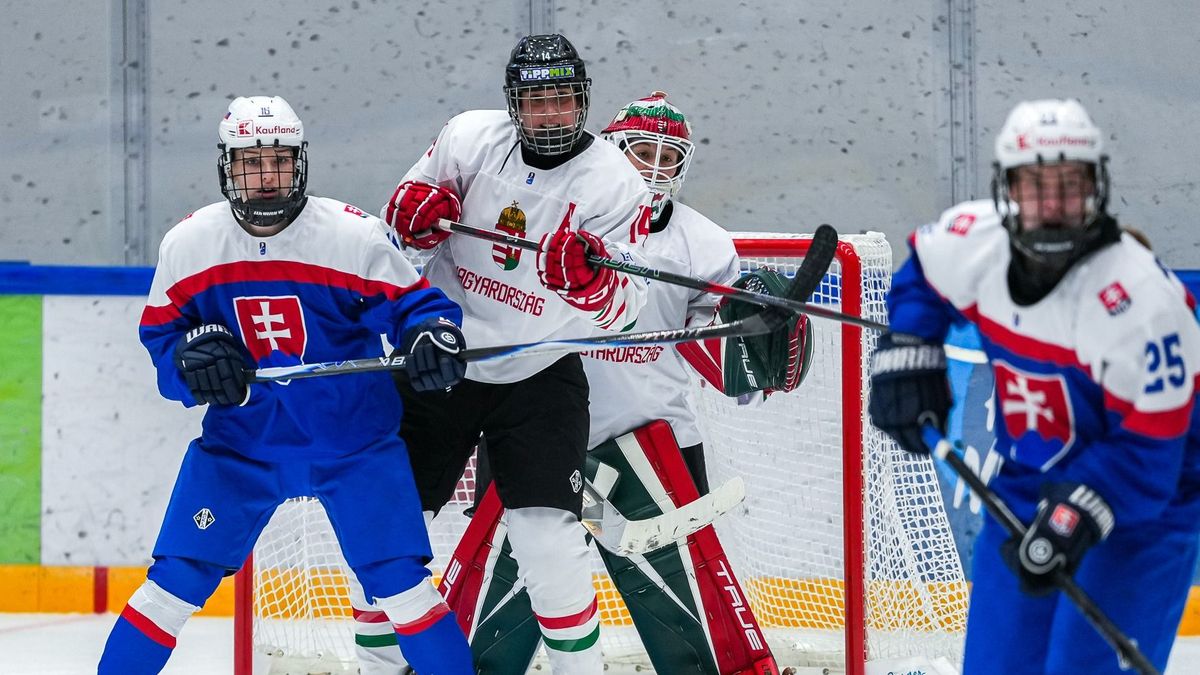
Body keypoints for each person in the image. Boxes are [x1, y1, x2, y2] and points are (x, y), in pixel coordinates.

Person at [357, 92, 810, 674]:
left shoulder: (705, 245)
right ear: (612, 149)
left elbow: (729, 371)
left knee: (693, 635)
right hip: (537, 430)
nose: (652, 167)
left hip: (655, 445)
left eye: (667, 156)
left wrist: (764, 342)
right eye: (640, 150)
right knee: (501, 626)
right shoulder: (562, 203)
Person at [97, 95, 474, 674]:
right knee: (171, 586)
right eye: (251, 162)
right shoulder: (191, 244)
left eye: (278, 160)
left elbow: (420, 312)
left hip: (355, 447)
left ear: (299, 163)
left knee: (401, 587)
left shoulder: (354, 237)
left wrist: (433, 337)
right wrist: (187, 361)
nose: (266, 176)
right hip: (242, 449)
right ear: (227, 167)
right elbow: (163, 350)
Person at [868, 98, 1200, 674]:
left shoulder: (1141, 304)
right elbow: (922, 273)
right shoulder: (976, 243)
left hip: (1148, 504)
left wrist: (1076, 515)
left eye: (1069, 185)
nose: (1051, 205)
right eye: (1033, 185)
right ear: (1007, 189)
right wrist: (911, 348)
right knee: (998, 665)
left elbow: (1151, 452)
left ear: (1096, 187)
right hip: (1032, 479)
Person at [369, 34, 654, 674]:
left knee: (546, 537)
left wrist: (592, 285)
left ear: (582, 101)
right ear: (513, 104)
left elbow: (627, 310)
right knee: (388, 529)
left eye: (562, 99)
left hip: (540, 369)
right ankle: (377, 667)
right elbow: (394, 252)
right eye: (535, 100)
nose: (549, 114)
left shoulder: (614, 182)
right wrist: (408, 227)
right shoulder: (467, 139)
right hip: (440, 356)